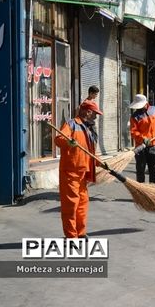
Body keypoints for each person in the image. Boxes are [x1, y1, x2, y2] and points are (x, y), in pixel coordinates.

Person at [54, 100, 103, 239]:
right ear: (88, 111)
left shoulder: (88, 129)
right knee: (71, 205)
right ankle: (71, 236)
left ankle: (80, 232)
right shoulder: (71, 124)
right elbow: (58, 139)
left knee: (82, 203)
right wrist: (68, 142)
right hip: (70, 172)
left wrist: (99, 162)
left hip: (83, 172)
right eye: (95, 113)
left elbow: (90, 151)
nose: (95, 116)